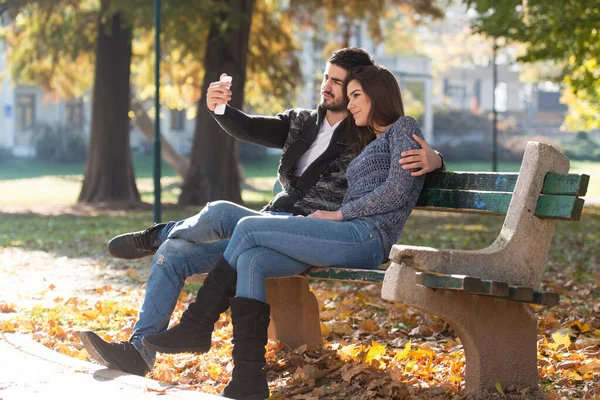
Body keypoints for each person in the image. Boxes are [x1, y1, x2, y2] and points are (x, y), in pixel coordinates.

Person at [79, 48, 444, 377]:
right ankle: (138, 353)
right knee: (173, 253)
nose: (329, 88)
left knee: (219, 212)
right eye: (326, 78)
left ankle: (162, 237)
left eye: (340, 83)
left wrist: (436, 159)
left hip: (311, 234)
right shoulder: (302, 122)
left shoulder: (363, 131)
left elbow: (402, 157)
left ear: (360, 89)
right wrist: (220, 108)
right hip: (275, 222)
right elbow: (252, 127)